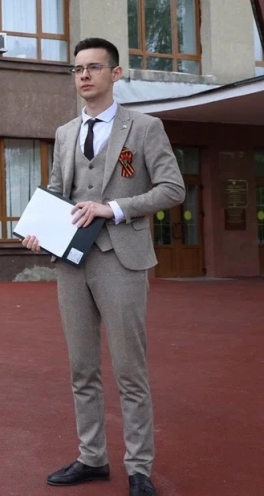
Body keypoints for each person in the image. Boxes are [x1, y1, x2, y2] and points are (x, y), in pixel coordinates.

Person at [21, 38, 184, 496]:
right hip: (72, 261)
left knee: (130, 369)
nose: (84, 76)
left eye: (93, 67)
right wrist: (40, 231)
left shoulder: (145, 127)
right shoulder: (65, 133)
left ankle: (139, 467)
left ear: (115, 74)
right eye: (77, 69)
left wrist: (112, 208)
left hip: (122, 259)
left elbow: (173, 189)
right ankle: (92, 457)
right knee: (82, 368)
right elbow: (58, 192)